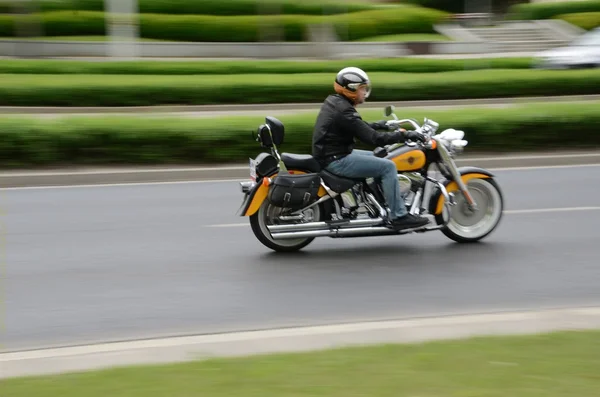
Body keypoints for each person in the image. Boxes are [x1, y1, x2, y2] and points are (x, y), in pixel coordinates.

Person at [312, 67, 430, 231]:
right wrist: (405, 135)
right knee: (388, 166)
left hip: (333, 154)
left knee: (380, 157)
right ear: (351, 89)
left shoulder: (336, 102)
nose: (365, 92)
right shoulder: (344, 110)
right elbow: (374, 138)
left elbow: (358, 126)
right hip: (336, 159)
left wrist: (384, 124)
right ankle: (399, 216)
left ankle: (379, 203)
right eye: (362, 88)